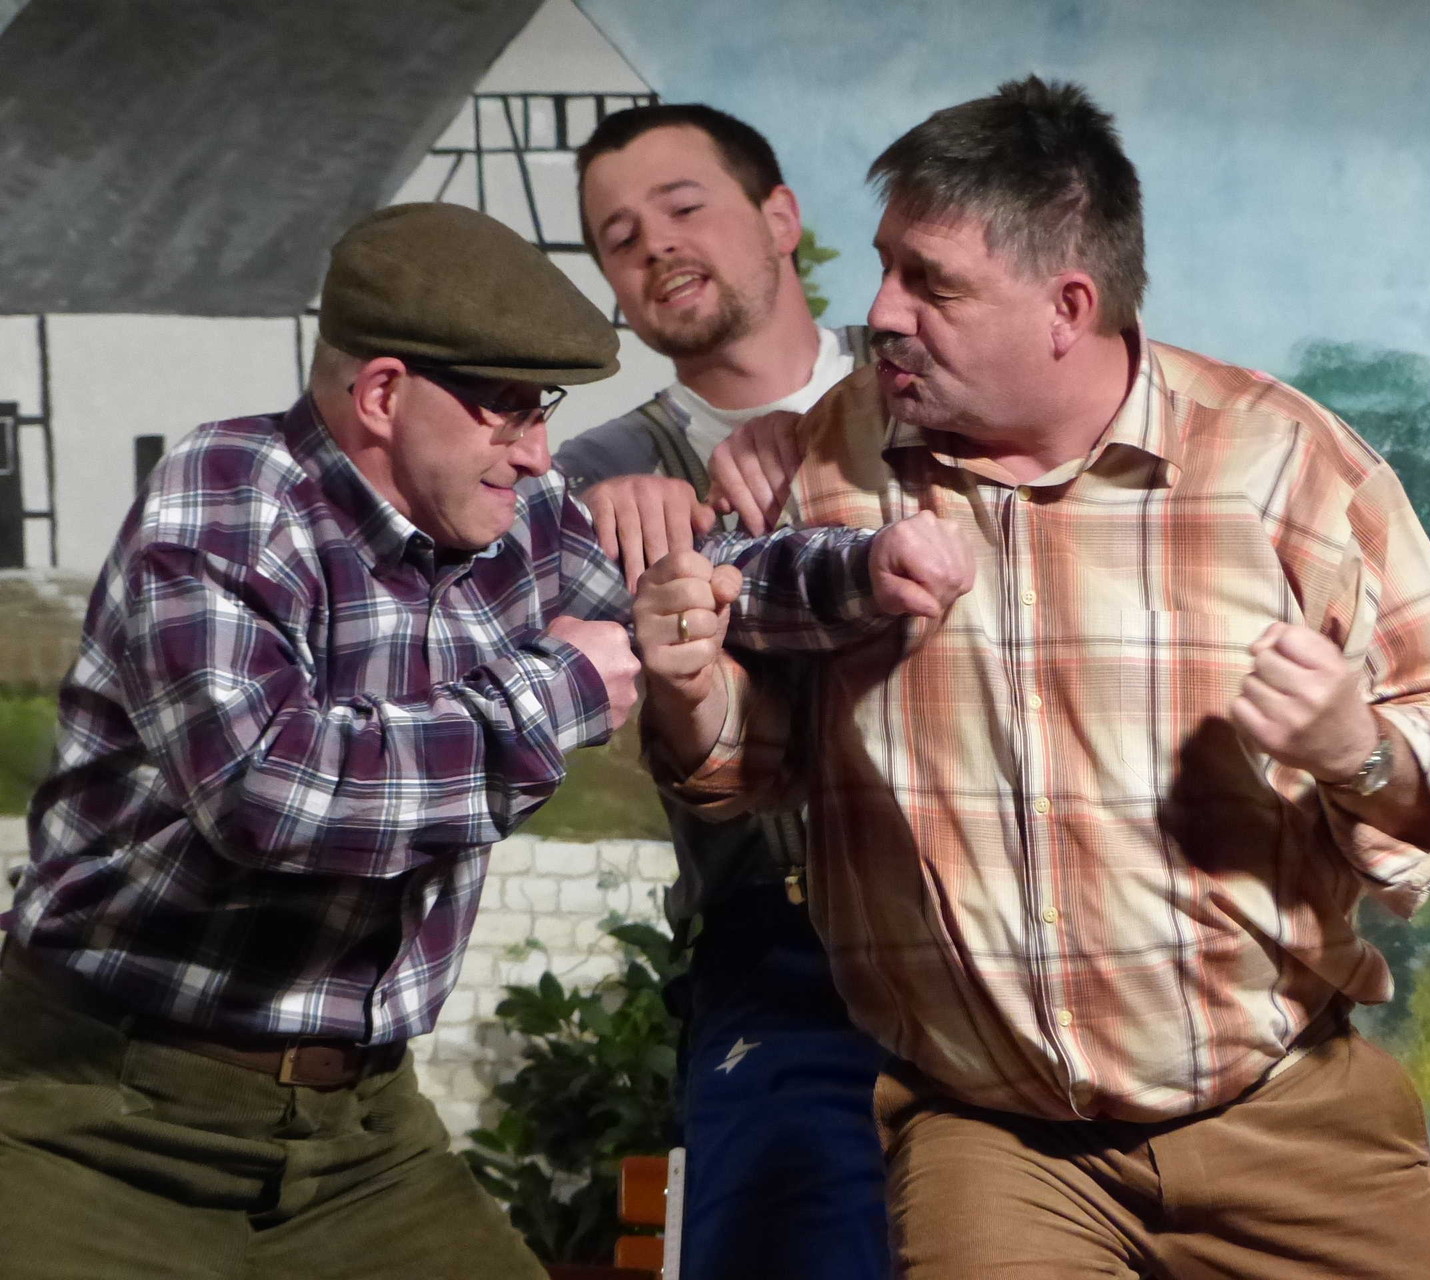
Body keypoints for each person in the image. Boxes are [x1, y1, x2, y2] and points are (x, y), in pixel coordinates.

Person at [634, 78, 1430, 1280]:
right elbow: (758, 757)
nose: (880, 312)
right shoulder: (820, 467)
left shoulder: (1279, 462)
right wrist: (690, 694)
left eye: (931, 283)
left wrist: (1351, 746)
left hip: (1282, 1107)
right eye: (884, 266)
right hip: (989, 1132)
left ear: (1067, 306)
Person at [0, 199, 965, 1280]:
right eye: (506, 411)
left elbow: (702, 587)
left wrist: (863, 567)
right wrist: (559, 690)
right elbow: (271, 793)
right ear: (382, 394)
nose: (539, 453)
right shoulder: (228, 495)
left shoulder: (518, 520)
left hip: (357, 1130)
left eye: (544, 410)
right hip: (95, 1107)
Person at [554, 103, 890, 1280]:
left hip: (1026, 918)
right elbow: (538, 642)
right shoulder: (594, 475)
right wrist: (593, 529)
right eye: (617, 238)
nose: (653, 243)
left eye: (683, 206)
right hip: (781, 948)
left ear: (780, 217)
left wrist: (834, 435)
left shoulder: (919, 372)